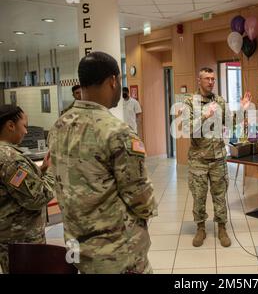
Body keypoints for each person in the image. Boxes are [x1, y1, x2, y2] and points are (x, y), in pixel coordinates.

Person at [48, 52, 157, 274]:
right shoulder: (116, 131)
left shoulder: (59, 126)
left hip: (77, 246)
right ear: (113, 81)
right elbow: (140, 198)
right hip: (117, 254)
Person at [183, 67, 251, 248]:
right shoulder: (190, 102)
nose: (211, 82)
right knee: (198, 196)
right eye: (207, 79)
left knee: (220, 195)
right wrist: (205, 115)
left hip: (218, 157)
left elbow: (230, 124)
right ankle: (200, 228)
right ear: (199, 80)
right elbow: (187, 128)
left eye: (213, 79)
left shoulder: (220, 101)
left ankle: (222, 228)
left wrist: (242, 109)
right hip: (198, 158)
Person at [0, 105, 54, 274]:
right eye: (24, 126)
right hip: (23, 244)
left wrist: (41, 170)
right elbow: (37, 198)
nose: (25, 132)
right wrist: (52, 171)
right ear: (10, 125)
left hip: (10, 241)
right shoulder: (12, 160)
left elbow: (12, 186)